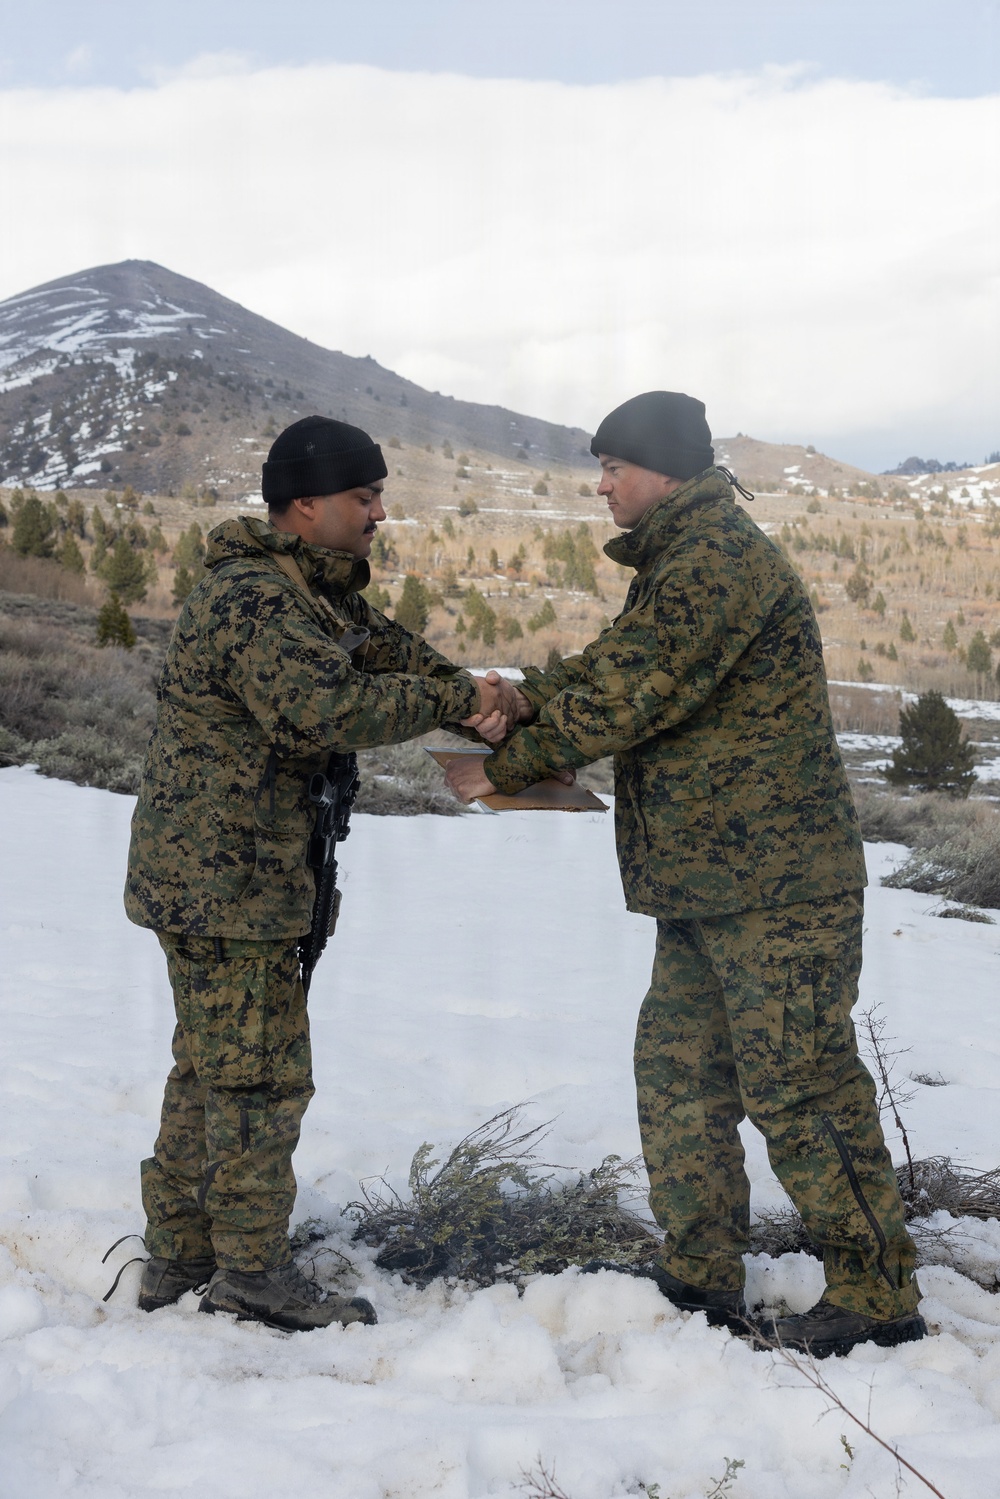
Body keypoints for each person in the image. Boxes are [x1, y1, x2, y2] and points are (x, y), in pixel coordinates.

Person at [446, 391, 925, 1359]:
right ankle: (699, 1264)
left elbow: (636, 690)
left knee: (801, 1086)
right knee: (681, 1078)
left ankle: (877, 1291)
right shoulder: (679, 559)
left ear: (662, 469)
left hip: (775, 884)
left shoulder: (717, 559)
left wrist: (504, 762)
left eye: (615, 465)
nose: (602, 483)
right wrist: (524, 704)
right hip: (709, 882)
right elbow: (613, 665)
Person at [125, 415, 516, 1332]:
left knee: (210, 1067)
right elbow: (321, 706)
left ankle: (181, 1255)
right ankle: (250, 1274)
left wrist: (487, 703)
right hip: (227, 881)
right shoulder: (254, 599)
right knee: (259, 1078)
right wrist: (465, 702)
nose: (380, 513)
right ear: (306, 506)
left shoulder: (312, 590)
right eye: (364, 497)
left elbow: (387, 655)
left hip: (234, 876)